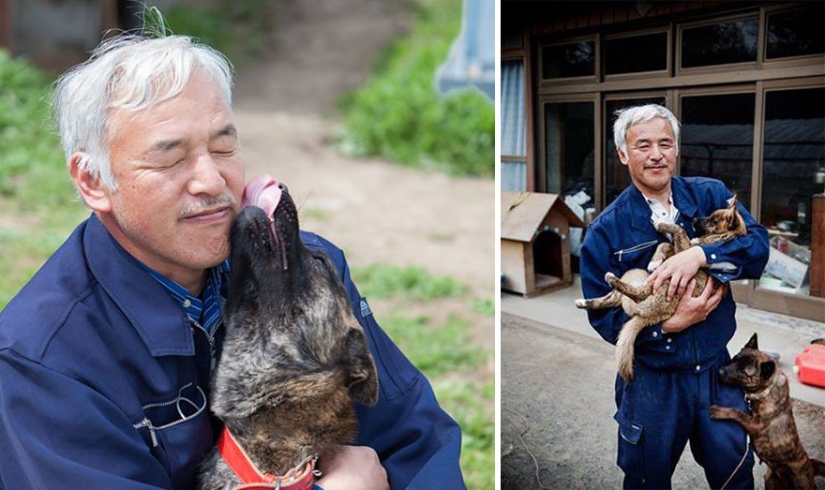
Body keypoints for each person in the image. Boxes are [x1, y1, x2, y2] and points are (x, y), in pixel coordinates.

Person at [0, 31, 465, 490]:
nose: (210, 179)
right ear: (92, 181)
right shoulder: (42, 361)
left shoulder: (301, 272)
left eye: (223, 147)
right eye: (170, 159)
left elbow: (414, 440)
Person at [579, 104, 770, 489]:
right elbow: (604, 319)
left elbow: (759, 248)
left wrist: (701, 254)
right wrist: (671, 325)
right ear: (623, 154)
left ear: (676, 150)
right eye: (643, 145)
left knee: (735, 474)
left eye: (665, 143)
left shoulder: (709, 196)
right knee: (648, 479)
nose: (656, 154)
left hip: (717, 371)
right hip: (654, 381)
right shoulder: (605, 231)